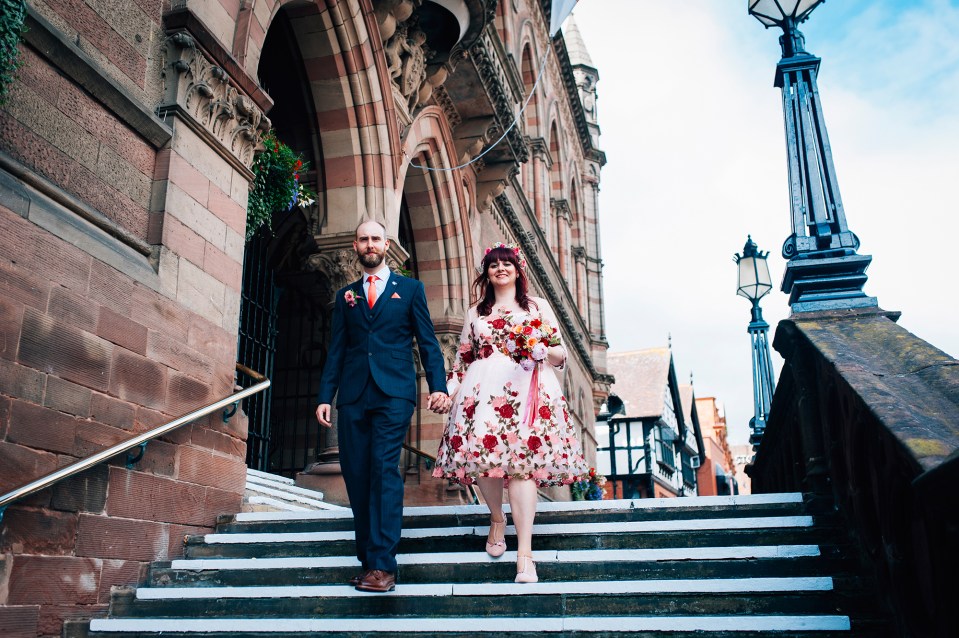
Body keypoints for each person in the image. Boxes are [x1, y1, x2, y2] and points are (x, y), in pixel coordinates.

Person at [432, 242, 589, 583]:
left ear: (518, 271)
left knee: (523, 471)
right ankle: (496, 518)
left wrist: (540, 349)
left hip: (527, 392)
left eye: (507, 264)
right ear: (486, 273)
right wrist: (446, 392)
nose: (500, 269)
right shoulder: (476, 312)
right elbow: (462, 361)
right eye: (493, 265)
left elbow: (561, 354)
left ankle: (525, 556)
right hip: (483, 391)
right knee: (486, 464)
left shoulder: (538, 307)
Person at [316, 219, 451, 593]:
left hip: (394, 393)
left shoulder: (410, 290)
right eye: (363, 239)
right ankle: (368, 559)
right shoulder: (346, 296)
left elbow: (428, 343)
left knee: (382, 470)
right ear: (356, 246)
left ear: (386, 244)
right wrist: (326, 396)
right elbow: (337, 350)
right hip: (355, 395)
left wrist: (438, 386)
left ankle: (383, 566)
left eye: (375, 238)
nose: (369, 244)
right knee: (356, 474)